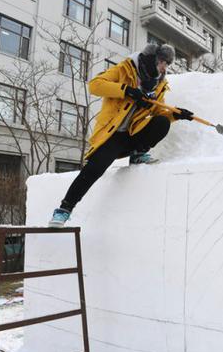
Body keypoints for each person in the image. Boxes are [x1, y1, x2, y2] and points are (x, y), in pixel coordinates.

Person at [48, 44, 194, 227]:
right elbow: (95, 85)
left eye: (167, 64)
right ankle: (64, 209)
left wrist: (176, 114)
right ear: (152, 59)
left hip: (134, 133)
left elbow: (157, 112)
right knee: (96, 167)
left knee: (162, 123)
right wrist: (126, 91)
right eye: (163, 62)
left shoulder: (160, 84)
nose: (165, 68)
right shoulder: (125, 69)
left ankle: (138, 154)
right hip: (114, 134)